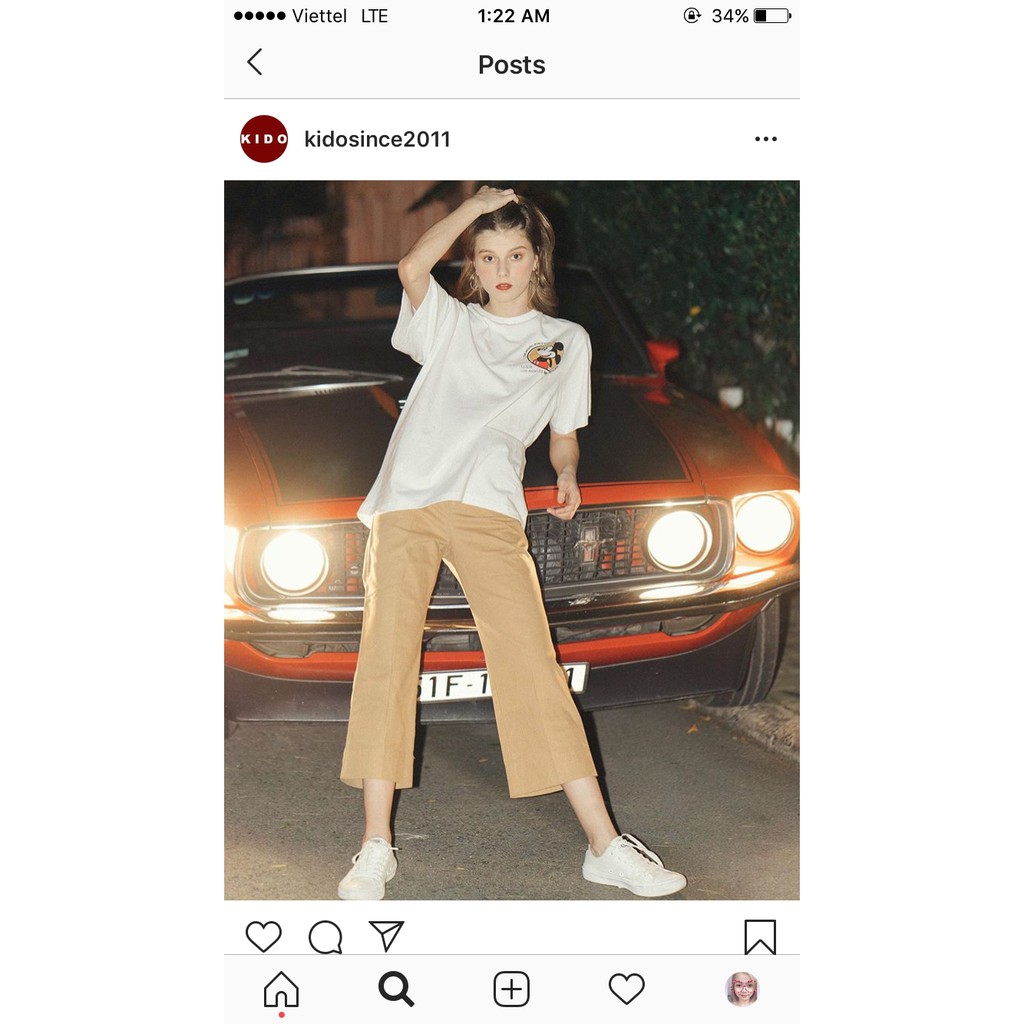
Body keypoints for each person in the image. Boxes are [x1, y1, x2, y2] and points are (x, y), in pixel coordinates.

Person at [336, 185, 687, 901]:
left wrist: (567, 473)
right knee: (387, 660)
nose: (501, 269)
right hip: (407, 500)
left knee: (532, 663)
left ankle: (605, 846)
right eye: (488, 256)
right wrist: (471, 208)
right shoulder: (450, 322)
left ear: (536, 260)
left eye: (515, 255)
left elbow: (563, 433)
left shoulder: (564, 342)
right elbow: (410, 268)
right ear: (474, 262)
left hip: (489, 508)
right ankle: (374, 846)